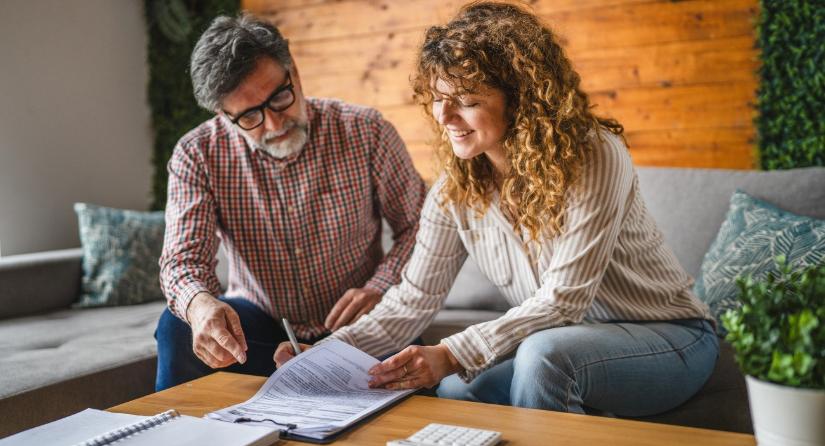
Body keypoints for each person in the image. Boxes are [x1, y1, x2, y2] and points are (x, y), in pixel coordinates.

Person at [275, 1, 718, 417]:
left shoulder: (594, 155)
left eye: (466, 101)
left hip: (671, 337)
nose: (444, 116)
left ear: (520, 100)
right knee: (456, 389)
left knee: (544, 358)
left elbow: (564, 301)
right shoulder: (455, 189)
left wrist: (450, 353)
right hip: (567, 341)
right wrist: (329, 351)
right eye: (438, 97)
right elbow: (412, 301)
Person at [154, 13, 426, 391]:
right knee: (177, 327)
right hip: (261, 334)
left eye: (280, 97)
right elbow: (182, 261)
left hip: (361, 325)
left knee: (412, 368)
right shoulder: (197, 154)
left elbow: (418, 226)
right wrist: (200, 306)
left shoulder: (367, 131)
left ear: (293, 71)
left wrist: (380, 286)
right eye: (249, 115)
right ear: (224, 115)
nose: (273, 124)